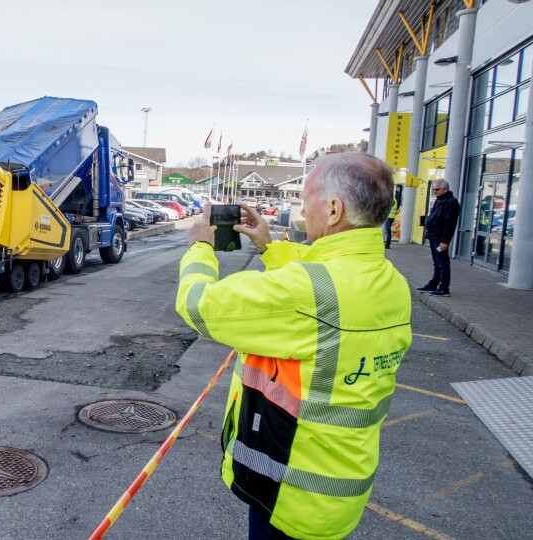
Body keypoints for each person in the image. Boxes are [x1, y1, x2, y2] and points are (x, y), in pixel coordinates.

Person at [176, 153, 412, 539]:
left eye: (307, 199)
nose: (302, 209)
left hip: (291, 495)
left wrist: (199, 249)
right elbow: (322, 279)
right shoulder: (390, 281)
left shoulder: (308, 292)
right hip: (339, 486)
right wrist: (270, 245)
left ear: (334, 209)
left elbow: (198, 305)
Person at [418, 180, 460, 296]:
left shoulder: (451, 203)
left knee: (442, 262)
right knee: (437, 262)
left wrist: (445, 241)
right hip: (434, 235)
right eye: (433, 190)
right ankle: (433, 284)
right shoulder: (440, 200)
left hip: (440, 237)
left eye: (437, 189)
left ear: (445, 189)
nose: (434, 192)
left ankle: (443, 287)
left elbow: (450, 224)